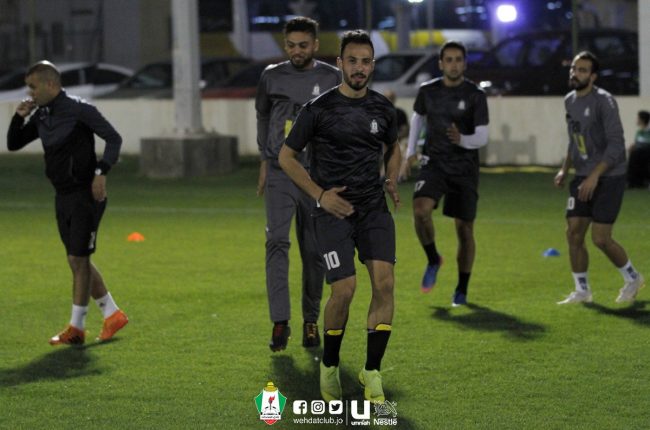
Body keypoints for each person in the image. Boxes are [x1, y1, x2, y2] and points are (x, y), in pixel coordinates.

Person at [278, 30, 400, 404]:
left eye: (365, 62)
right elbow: (286, 157)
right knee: (344, 289)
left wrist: (392, 176)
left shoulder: (383, 109)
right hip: (332, 212)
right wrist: (320, 195)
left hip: (372, 208)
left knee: (385, 285)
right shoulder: (318, 110)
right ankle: (329, 365)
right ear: (340, 64)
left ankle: (372, 371)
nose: (359, 68)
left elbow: (394, 147)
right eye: (352, 61)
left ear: (372, 66)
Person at [6, 61, 128, 345]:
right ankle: (112, 314)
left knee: (78, 259)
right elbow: (14, 143)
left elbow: (114, 138)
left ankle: (77, 328)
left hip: (85, 195)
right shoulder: (43, 114)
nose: (30, 93)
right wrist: (18, 117)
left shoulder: (79, 109)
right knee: (77, 258)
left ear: (50, 84)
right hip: (62, 196)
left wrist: (101, 172)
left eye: (33, 87)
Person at [255, 17, 341, 351]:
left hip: (316, 175)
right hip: (280, 172)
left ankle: (310, 321)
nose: (296, 51)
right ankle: (280, 322)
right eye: (291, 45)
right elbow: (263, 115)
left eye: (303, 45)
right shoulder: (271, 76)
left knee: (313, 250)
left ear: (315, 45)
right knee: (276, 242)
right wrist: (265, 159)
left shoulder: (331, 78)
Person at [400, 40, 489, 306]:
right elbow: (418, 117)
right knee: (420, 210)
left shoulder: (475, 95)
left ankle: (462, 288)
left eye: (458, 60)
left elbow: (482, 136)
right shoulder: (428, 91)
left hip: (464, 168)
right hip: (434, 163)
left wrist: (462, 139)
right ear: (441, 64)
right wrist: (410, 152)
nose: (453, 64)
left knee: (464, 230)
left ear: (465, 64)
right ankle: (433, 259)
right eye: (448, 60)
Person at [554, 51, 644, 304]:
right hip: (583, 175)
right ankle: (582, 291)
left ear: (593, 77)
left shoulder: (604, 101)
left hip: (609, 176)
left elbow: (616, 145)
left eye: (582, 70)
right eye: (574, 68)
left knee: (601, 238)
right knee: (573, 233)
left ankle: (633, 277)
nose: (576, 73)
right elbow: (574, 139)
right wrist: (564, 169)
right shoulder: (569, 101)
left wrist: (595, 176)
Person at [626, 110, 650, 189]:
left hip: (646, 153)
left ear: (642, 120)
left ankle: (634, 181)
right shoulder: (639, 132)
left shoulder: (648, 132)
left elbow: (647, 143)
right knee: (633, 153)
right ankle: (633, 181)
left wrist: (637, 146)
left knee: (635, 154)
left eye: (638, 118)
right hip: (639, 153)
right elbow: (637, 142)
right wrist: (633, 146)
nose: (636, 120)